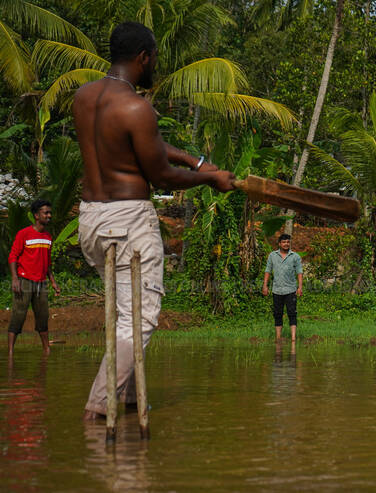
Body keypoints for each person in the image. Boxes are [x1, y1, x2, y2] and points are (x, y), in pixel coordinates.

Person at [73, 22, 235, 420]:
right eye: (155, 57)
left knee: (123, 315)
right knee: (141, 316)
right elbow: (160, 176)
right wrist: (210, 179)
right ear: (143, 57)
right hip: (128, 219)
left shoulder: (85, 97)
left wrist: (192, 160)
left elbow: (142, 145)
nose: (155, 63)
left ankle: (127, 400)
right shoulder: (137, 107)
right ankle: (99, 407)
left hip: (91, 218)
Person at [7, 199, 61, 357]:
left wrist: (53, 282)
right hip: (24, 281)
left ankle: (46, 350)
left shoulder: (48, 237)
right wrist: (15, 279)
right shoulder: (24, 234)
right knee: (18, 315)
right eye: (46, 213)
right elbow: (12, 257)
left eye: (50, 212)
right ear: (37, 215)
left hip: (41, 284)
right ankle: (10, 353)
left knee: (43, 316)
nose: (49, 215)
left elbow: (47, 263)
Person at [262, 234, 303, 341]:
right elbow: (268, 271)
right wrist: (265, 286)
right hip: (277, 290)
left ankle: (293, 338)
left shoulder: (295, 256)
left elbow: (299, 272)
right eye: (284, 242)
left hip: (290, 290)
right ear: (279, 244)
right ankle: (278, 337)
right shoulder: (272, 256)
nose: (286, 244)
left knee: (292, 313)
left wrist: (300, 287)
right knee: (277, 314)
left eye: (288, 242)